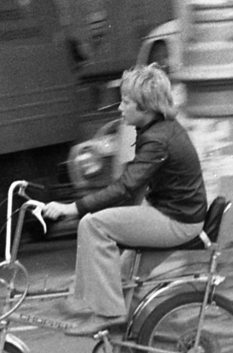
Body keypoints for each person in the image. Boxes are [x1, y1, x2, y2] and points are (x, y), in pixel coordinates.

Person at [41, 63, 208, 337]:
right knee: (120, 281)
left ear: (146, 106)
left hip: (176, 221)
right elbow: (134, 188)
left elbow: (126, 186)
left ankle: (106, 311)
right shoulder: (159, 129)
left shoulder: (157, 140)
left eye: (126, 102)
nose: (120, 108)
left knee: (92, 224)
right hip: (176, 215)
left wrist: (73, 208)